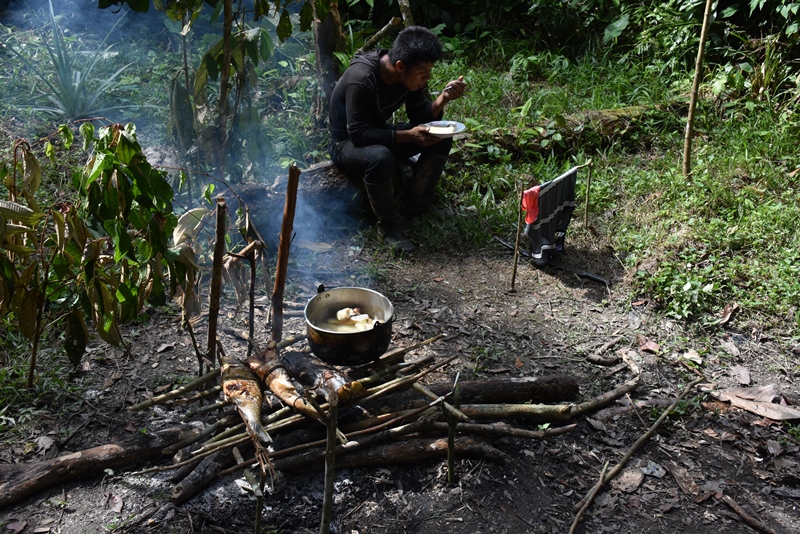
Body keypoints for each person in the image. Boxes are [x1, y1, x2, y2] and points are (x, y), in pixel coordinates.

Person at [328, 26, 466, 253]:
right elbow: (359, 134)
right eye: (423, 72)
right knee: (380, 157)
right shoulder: (361, 79)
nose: (427, 77)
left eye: (429, 71)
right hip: (345, 144)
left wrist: (443, 98)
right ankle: (387, 228)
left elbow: (419, 114)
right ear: (400, 66)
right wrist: (406, 136)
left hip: (378, 133)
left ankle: (419, 204)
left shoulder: (407, 76)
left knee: (441, 136)